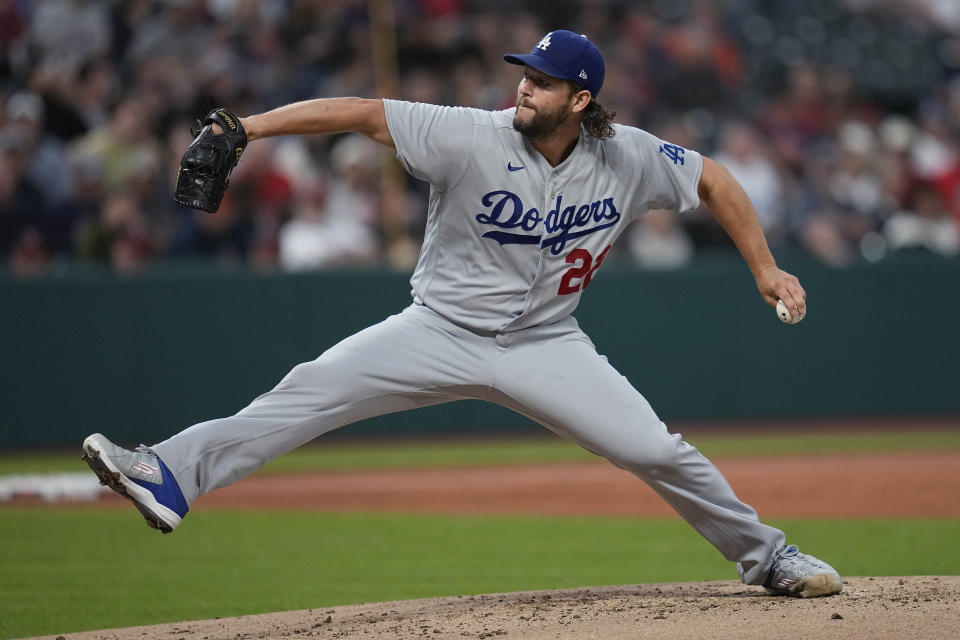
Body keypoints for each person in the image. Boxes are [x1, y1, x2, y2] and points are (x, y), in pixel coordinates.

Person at [82, 30, 839, 598]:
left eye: (542, 83)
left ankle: (766, 556)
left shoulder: (628, 155)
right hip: (436, 330)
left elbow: (715, 181)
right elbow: (360, 112)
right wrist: (248, 128)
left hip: (547, 343)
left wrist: (765, 267)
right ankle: (170, 474)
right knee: (305, 391)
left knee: (655, 450)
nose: (524, 90)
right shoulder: (470, 134)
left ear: (580, 101)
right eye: (524, 76)